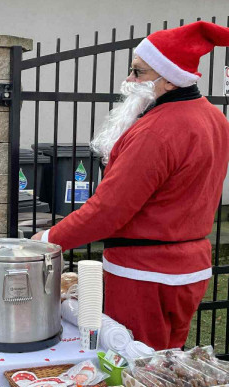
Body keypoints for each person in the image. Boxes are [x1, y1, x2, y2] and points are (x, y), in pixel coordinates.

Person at [33, 21, 229, 350]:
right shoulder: (214, 119)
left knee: (134, 367)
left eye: (138, 72)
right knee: (166, 365)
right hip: (191, 268)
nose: (128, 80)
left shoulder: (156, 130)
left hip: (145, 275)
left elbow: (108, 210)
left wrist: (50, 239)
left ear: (168, 78)